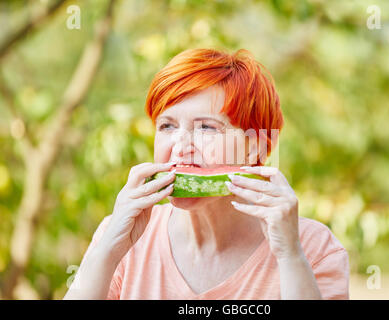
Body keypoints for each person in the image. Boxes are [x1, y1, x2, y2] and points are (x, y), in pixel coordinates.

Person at [64, 48, 349, 300]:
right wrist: (107, 253)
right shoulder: (121, 235)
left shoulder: (313, 248)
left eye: (206, 128)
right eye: (167, 126)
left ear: (254, 148)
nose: (180, 146)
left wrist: (290, 256)